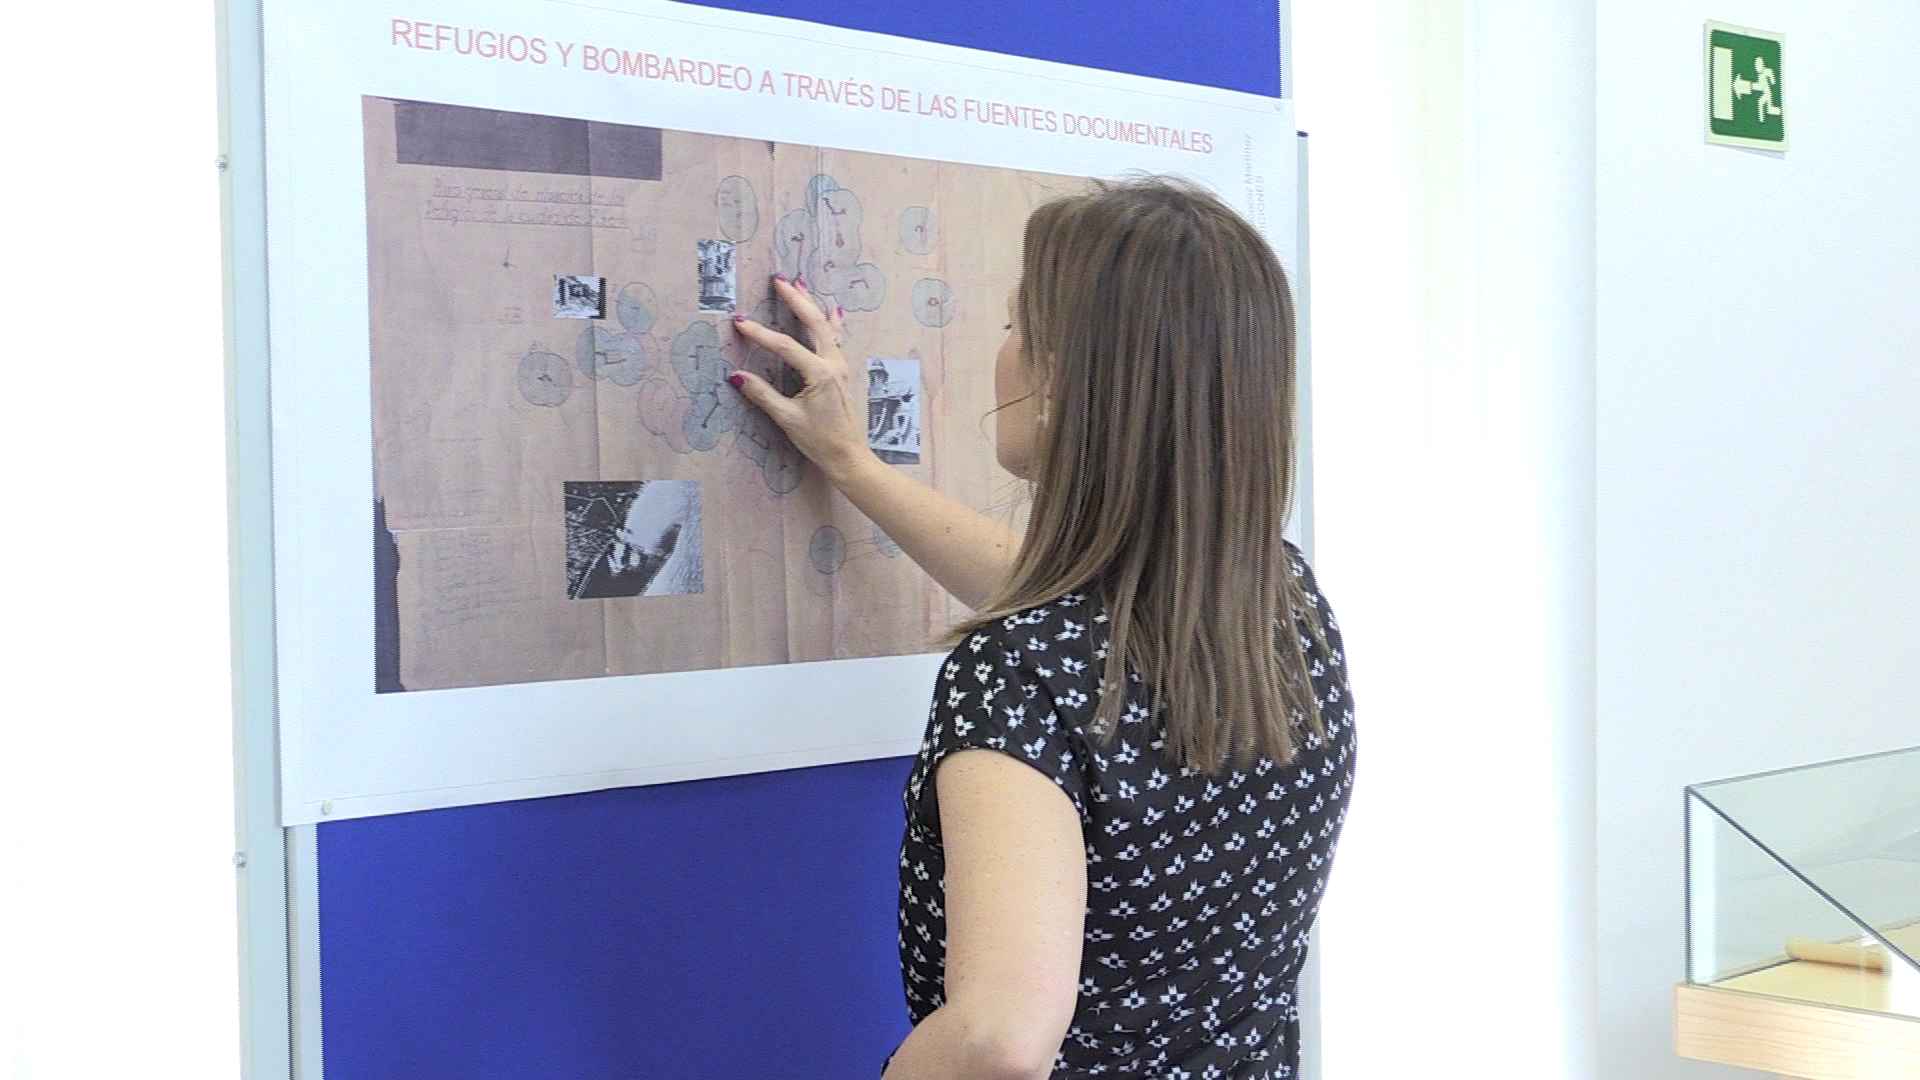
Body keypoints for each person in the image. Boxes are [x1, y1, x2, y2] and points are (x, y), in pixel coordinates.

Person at [729, 176, 1355, 1080]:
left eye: (1016, 325)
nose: (1004, 351)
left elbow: (1000, 1040)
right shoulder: (1279, 605)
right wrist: (853, 464)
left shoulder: (1019, 677)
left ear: (1063, 379)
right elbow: (1072, 596)